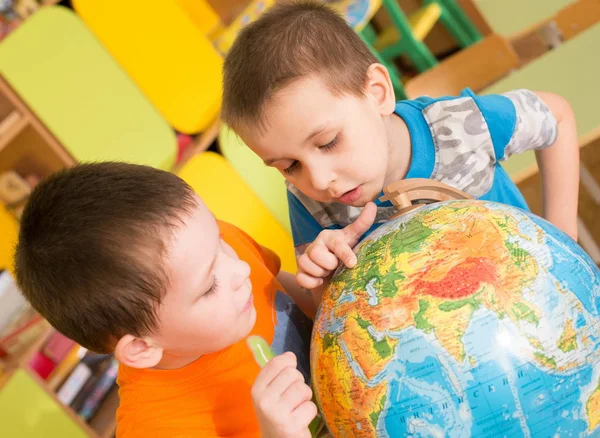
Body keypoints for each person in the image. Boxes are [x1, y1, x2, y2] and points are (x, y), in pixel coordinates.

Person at [221, 1, 579, 303]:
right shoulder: (307, 199)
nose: (318, 179)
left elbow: (556, 116)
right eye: (289, 166)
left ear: (377, 92)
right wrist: (323, 276)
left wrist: (563, 243)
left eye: (329, 142)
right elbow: (331, 316)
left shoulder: (460, 125)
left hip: (534, 296)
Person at [14, 162, 317, 437]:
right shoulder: (154, 429)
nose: (241, 269)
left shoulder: (203, 249)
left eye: (221, 242)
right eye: (209, 286)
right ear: (143, 347)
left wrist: (322, 281)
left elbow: (280, 288)